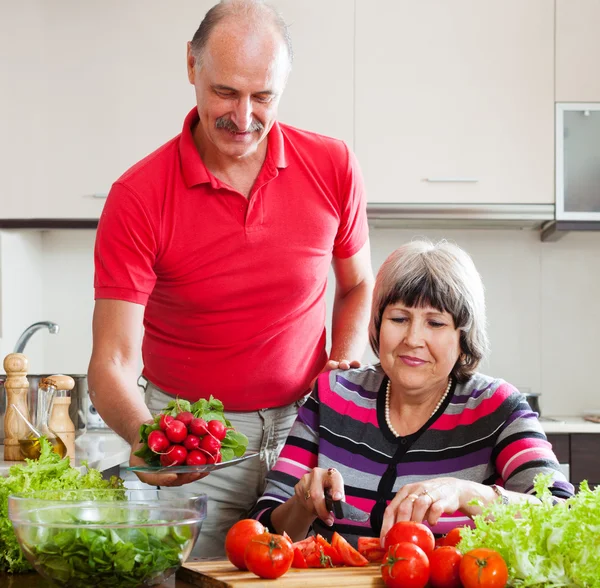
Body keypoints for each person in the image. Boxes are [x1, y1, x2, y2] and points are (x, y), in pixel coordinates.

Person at [87, 0, 373, 556]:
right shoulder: (138, 197)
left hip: (308, 435)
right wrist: (151, 442)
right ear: (192, 67)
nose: (244, 118)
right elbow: (111, 363)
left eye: (263, 96)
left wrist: (346, 357)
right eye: (226, 92)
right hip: (190, 443)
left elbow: (358, 284)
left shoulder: (334, 165)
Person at [250, 239, 574, 546]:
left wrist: (466, 493)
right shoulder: (333, 394)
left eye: (435, 323)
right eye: (399, 318)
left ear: (463, 336)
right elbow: (263, 528)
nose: (413, 339)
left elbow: (562, 514)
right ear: (377, 325)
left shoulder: (498, 406)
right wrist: (304, 503)